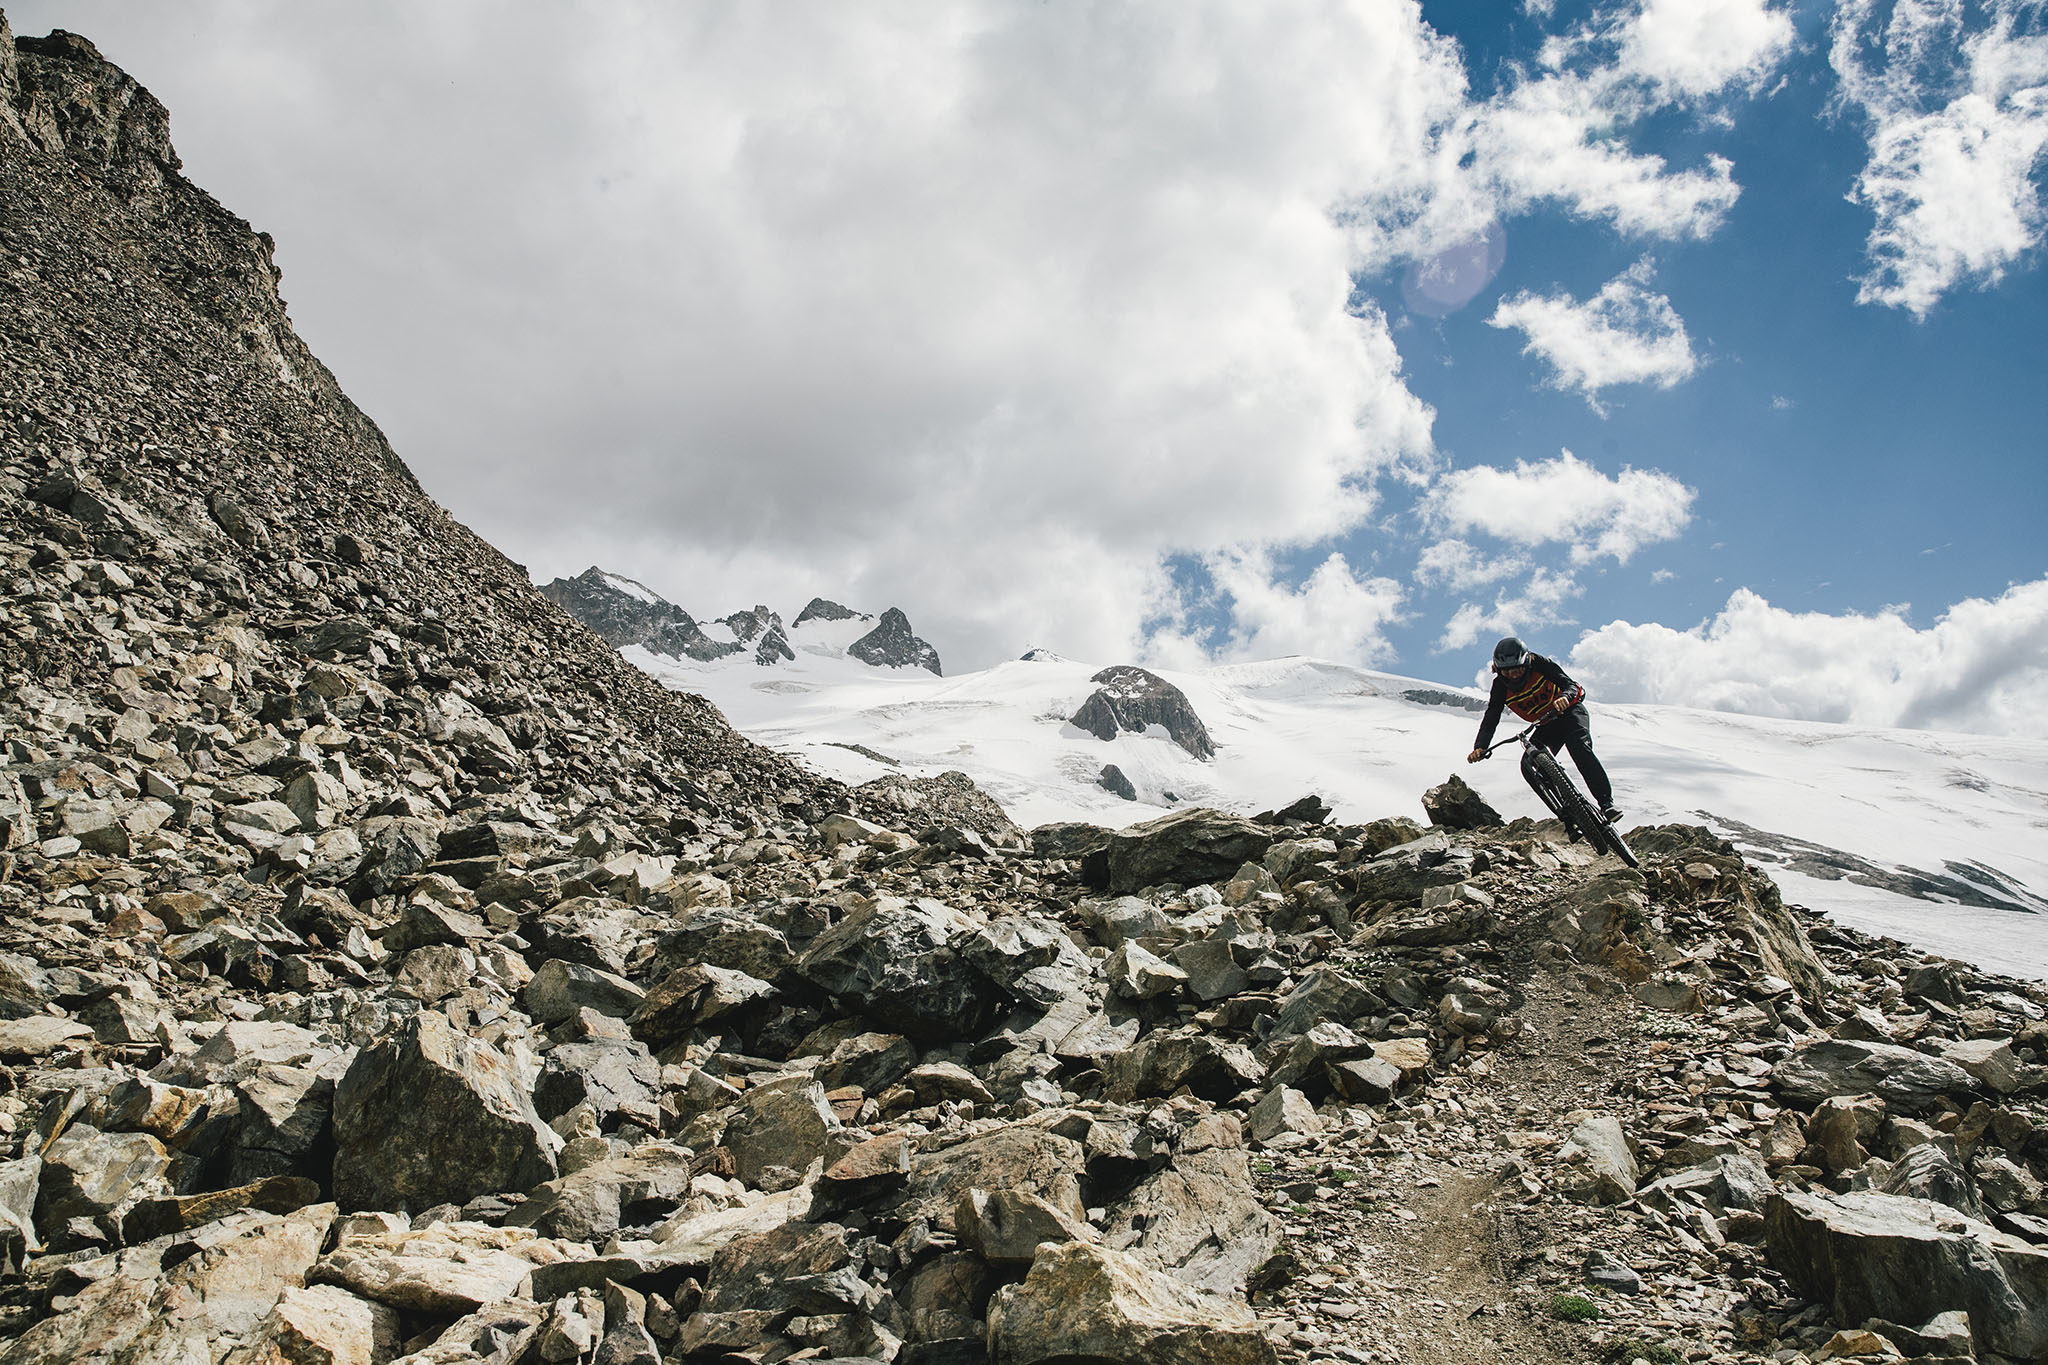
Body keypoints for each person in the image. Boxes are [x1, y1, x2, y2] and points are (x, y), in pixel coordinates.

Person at [1466, 636, 1620, 823]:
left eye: (1518, 669)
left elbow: (1572, 685)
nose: (1513, 675)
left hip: (1570, 712)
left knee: (1578, 747)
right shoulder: (1499, 686)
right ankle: (1569, 815)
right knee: (1528, 766)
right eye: (1507, 671)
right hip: (1547, 724)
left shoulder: (1540, 664)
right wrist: (1480, 746)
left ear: (1526, 663)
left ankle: (1606, 804)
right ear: (1498, 670)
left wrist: (1565, 696)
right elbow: (1491, 717)